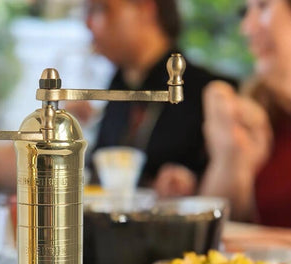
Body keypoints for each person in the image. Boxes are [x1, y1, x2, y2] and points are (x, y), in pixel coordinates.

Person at [82, 0, 234, 190]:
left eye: (100, 9)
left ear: (146, 10)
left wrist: (191, 184)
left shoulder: (210, 93)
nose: (87, 23)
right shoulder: (118, 86)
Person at [194, 0, 291, 229]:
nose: (247, 28)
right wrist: (229, 160)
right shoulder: (255, 111)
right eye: (246, 11)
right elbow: (212, 232)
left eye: (263, 6)